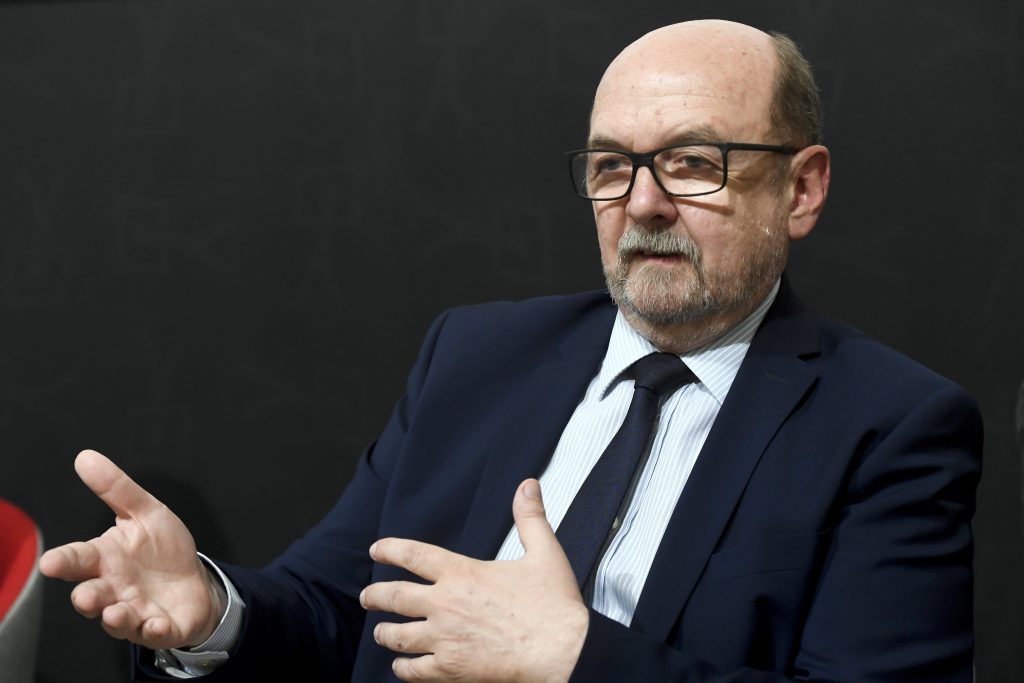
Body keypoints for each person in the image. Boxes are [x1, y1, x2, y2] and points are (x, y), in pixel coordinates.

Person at [40, 19, 982, 682]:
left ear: (801, 189)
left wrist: (572, 656)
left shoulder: (891, 428)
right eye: (612, 166)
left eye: (693, 163)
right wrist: (214, 611)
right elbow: (334, 609)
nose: (642, 203)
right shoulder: (476, 354)